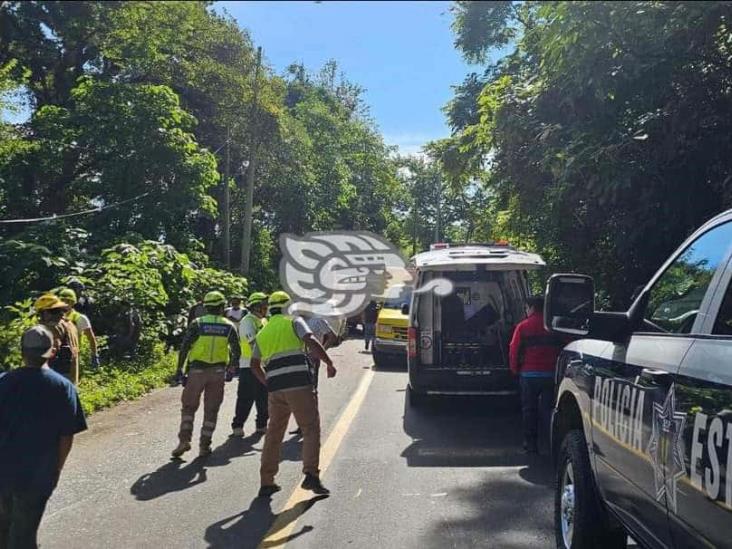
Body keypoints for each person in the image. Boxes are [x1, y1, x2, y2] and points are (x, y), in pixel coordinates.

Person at [0, 325, 87, 548]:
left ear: (22, 352)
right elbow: (66, 436)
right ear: (53, 352)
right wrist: (56, 469)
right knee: (24, 533)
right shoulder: (63, 387)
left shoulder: (3, 381)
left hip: (4, 471)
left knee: (4, 526)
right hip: (37, 475)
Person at [251, 291, 335, 497]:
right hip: (298, 384)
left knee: (274, 433)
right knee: (310, 428)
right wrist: (329, 363)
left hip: (276, 389)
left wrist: (268, 382)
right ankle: (311, 476)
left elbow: (254, 364)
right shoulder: (294, 321)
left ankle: (267, 480)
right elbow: (312, 341)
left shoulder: (263, 331)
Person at [172, 291, 241, 458]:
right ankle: (204, 446)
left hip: (196, 371)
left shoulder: (197, 323)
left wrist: (179, 369)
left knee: (188, 407)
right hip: (217, 373)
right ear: (221, 307)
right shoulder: (228, 326)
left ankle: (184, 440)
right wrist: (231, 368)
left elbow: (185, 347)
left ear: (206, 307)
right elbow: (236, 351)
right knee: (211, 410)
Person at [509, 295, 564, 454]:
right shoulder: (554, 326)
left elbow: (514, 350)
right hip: (550, 374)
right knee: (548, 409)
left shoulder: (523, 326)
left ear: (532, 308)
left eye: (526, 308)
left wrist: (514, 369)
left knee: (529, 409)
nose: (526, 311)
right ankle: (553, 442)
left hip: (529, 375)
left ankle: (531, 443)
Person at [231, 292, 269, 438]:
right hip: (249, 365)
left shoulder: (264, 321)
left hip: (263, 364)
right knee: (246, 397)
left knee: (264, 397)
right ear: (257, 307)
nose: (266, 308)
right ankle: (238, 425)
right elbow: (253, 343)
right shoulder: (248, 321)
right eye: (264, 306)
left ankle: (261, 424)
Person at [36, 294, 80, 385]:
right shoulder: (69, 323)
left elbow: (49, 351)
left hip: (56, 375)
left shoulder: (53, 326)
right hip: (70, 374)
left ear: (46, 312)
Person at [58, 288, 100, 370]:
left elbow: (91, 338)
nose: (65, 303)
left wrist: (94, 356)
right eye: (63, 300)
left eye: (68, 301)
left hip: (71, 356)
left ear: (73, 302)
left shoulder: (80, 318)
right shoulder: (54, 317)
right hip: (55, 355)